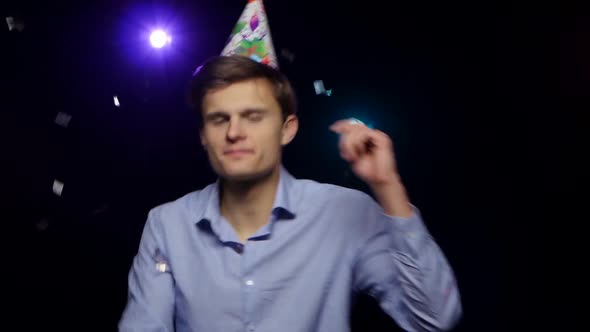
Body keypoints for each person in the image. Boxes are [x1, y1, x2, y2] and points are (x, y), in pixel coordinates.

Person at [118, 55, 462, 332]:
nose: (234, 132)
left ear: (287, 130)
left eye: (253, 116)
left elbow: (433, 319)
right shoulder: (168, 223)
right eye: (219, 119)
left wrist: (388, 187)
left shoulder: (346, 212)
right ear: (204, 136)